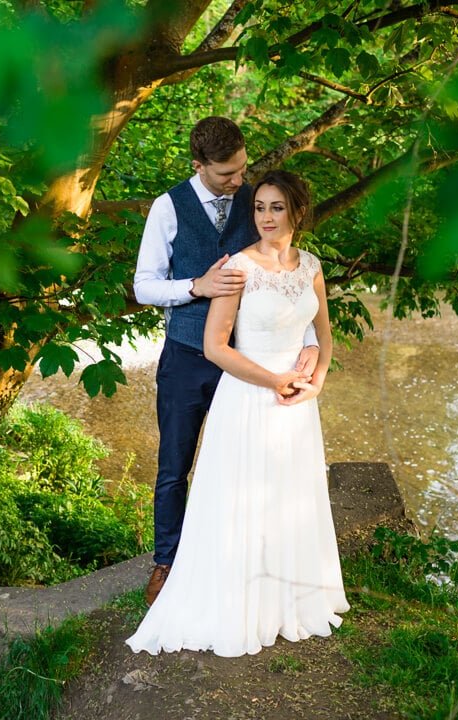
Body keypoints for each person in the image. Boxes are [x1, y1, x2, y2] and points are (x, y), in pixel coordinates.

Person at [126, 169, 349, 657]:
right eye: (260, 208)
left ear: (298, 212)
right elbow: (214, 345)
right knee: (227, 492)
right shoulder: (238, 268)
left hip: (296, 405)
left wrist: (317, 378)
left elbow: (323, 332)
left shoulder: (311, 265)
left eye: (276, 207)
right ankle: (198, 579)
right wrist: (274, 380)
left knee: (288, 496)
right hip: (250, 395)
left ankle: (287, 596)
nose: (266, 216)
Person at [133, 117, 318, 606]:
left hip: (250, 362)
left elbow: (286, 277)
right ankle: (167, 562)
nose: (239, 182)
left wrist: (308, 340)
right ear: (199, 166)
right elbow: (143, 285)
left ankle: (243, 561)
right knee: (175, 466)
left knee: (247, 467)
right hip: (189, 356)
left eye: (242, 170)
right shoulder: (167, 207)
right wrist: (196, 287)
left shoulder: (261, 203)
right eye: (226, 175)